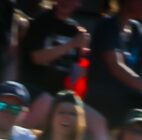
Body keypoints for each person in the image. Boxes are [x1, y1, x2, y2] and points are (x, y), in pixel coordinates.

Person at [85, 0, 142, 132]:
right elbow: (116, 66)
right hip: (102, 103)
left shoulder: (137, 29)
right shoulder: (107, 25)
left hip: (127, 104)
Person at [17, 0, 91, 129]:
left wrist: (85, 65)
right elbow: (36, 58)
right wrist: (71, 45)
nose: (66, 2)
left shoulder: (75, 30)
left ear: (78, 3)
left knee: (89, 116)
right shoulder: (41, 22)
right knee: (47, 101)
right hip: (34, 88)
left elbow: (75, 73)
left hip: (60, 94)